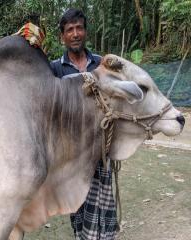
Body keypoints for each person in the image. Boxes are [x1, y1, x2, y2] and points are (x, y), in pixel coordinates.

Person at [50, 9, 118, 240]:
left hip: (101, 149)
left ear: (85, 32)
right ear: (63, 37)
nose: (75, 33)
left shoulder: (101, 64)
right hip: (73, 153)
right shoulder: (55, 69)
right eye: (70, 30)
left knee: (104, 206)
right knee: (78, 209)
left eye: (79, 28)